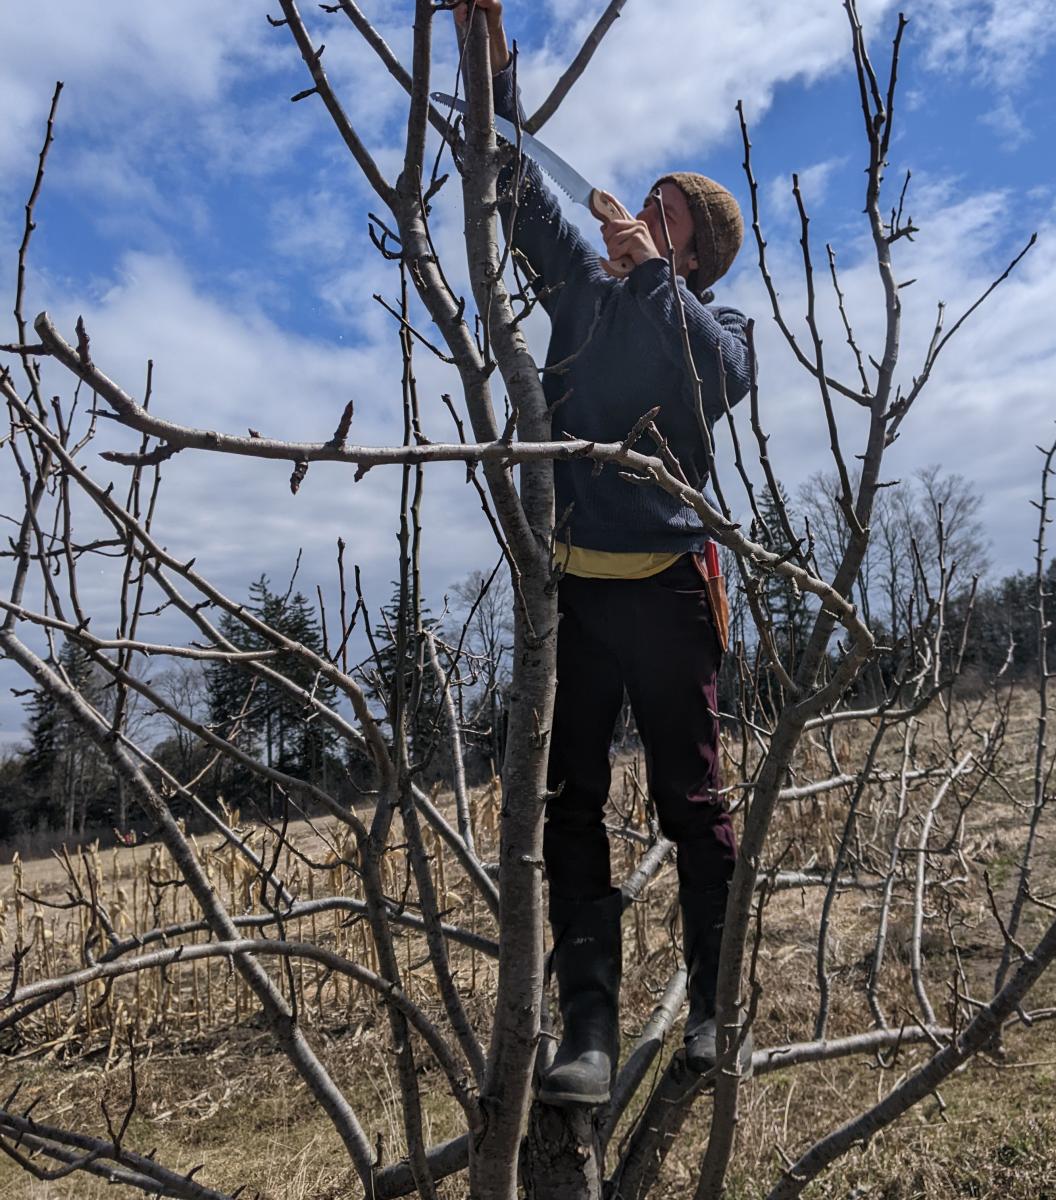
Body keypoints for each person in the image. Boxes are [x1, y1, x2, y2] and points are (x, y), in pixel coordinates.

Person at [454, 0, 752, 1106]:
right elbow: (516, 187)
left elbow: (721, 377)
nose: (645, 215)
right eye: (647, 206)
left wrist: (655, 277)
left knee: (693, 798)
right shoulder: (581, 289)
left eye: (668, 218)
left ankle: (718, 1009)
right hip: (572, 593)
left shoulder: (706, 324)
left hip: (673, 591)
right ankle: (587, 1030)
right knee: (568, 806)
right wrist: (491, 70)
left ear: (697, 253)